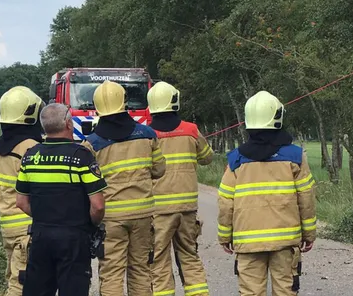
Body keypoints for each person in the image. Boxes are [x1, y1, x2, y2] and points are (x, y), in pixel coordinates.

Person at [217, 90, 316, 296]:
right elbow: (306, 198)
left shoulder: (235, 160)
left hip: (248, 243)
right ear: (278, 117)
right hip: (285, 242)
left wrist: (225, 235)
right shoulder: (296, 157)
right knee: (286, 291)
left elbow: (226, 201)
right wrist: (309, 233)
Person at [82, 80, 166, 296]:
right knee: (140, 271)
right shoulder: (147, 135)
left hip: (110, 219)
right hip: (143, 215)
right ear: (124, 102)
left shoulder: (91, 144)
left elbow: (86, 186)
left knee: (111, 273)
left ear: (97, 107)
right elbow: (159, 170)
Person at [15, 103, 107, 296]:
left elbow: (21, 202)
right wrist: (89, 224)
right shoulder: (81, 157)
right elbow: (98, 206)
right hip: (73, 238)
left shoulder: (30, 156)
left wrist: (45, 216)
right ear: (68, 124)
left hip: (40, 237)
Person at [148, 81, 214, 296]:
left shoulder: (146, 133)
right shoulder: (190, 130)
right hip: (187, 208)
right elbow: (207, 158)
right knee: (189, 256)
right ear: (174, 101)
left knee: (158, 260)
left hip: (158, 210)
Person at [0, 87, 44, 296]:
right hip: (27, 226)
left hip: (8, 226)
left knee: (14, 279)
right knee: (21, 285)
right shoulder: (31, 148)